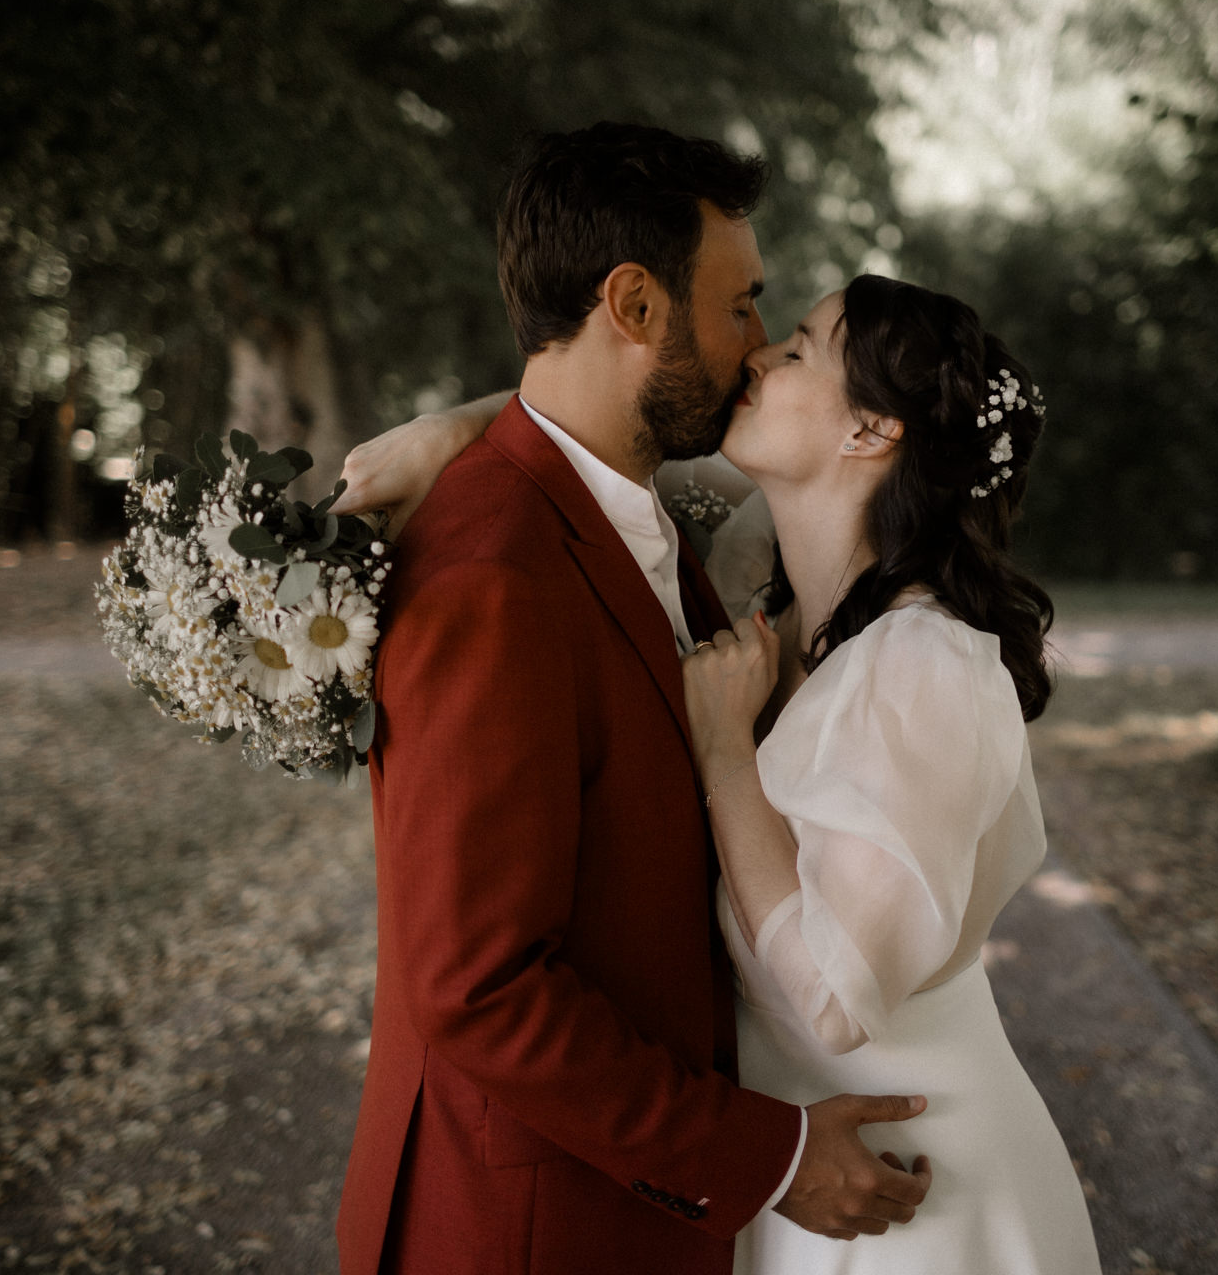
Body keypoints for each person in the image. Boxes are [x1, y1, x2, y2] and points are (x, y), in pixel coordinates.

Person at [339, 272, 1103, 1273]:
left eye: (795, 347)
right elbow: (597, 434)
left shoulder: (927, 669)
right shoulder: (756, 572)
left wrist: (725, 754)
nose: (757, 357)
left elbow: (833, 995)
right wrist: (454, 427)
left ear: (870, 430)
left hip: (903, 1183)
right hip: (777, 1183)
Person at [337, 123, 934, 1275]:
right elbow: (477, 984)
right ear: (636, 305)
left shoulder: (621, 508)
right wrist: (765, 1156)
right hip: (528, 1230)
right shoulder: (491, 575)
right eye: (743, 304)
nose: (760, 349)